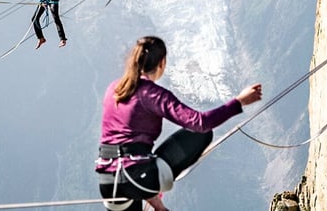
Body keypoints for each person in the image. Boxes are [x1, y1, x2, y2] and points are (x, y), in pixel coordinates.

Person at [96, 36, 262, 211]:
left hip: (108, 183)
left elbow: (122, 148)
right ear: (162, 63)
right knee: (200, 134)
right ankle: (153, 184)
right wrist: (239, 102)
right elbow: (200, 123)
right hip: (138, 178)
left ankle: (150, 191)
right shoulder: (153, 94)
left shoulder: (114, 90)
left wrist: (156, 203)